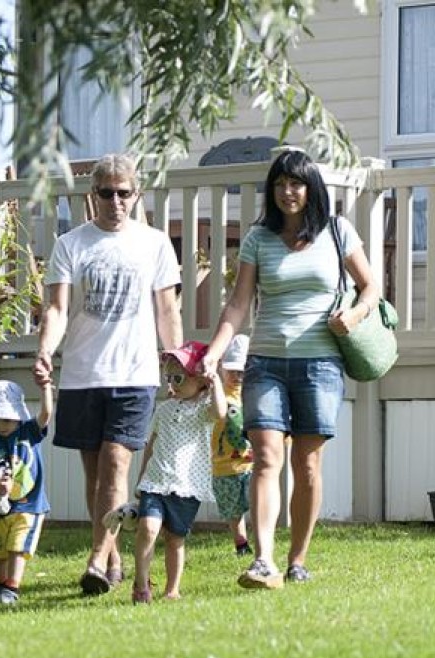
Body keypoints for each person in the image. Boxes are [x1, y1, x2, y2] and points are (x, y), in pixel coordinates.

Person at [200, 149, 381, 589]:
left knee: (308, 465)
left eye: (296, 184)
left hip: (320, 363)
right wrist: (215, 352)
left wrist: (353, 316)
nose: (287, 192)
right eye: (279, 185)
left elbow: (371, 286)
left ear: (310, 187)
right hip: (265, 364)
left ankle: (297, 557)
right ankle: (264, 561)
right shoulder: (259, 238)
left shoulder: (337, 231)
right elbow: (238, 303)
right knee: (264, 458)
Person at [33, 152, 183, 596]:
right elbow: (57, 308)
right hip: (83, 372)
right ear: (92, 196)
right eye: (106, 193)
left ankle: (96, 559)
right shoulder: (71, 244)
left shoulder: (154, 243)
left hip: (135, 373)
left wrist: (174, 359)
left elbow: (167, 309)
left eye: (123, 193)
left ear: (136, 196)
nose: (115, 201)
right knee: (96, 476)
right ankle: (113, 556)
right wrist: (45, 350)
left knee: (118, 461)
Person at [130, 341, 227, 603]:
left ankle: (172, 589)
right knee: (148, 529)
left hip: (186, 486)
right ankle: (141, 584)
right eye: (168, 377)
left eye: (178, 377)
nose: (171, 383)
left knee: (175, 539)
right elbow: (151, 446)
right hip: (155, 483)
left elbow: (220, 412)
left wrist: (216, 381)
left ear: (200, 380)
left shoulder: (203, 409)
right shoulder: (163, 409)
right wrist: (141, 481)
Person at [0, 378, 54, 604]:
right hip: (2, 506)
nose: (1, 426)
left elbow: (46, 414)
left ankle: (12, 586)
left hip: (29, 505)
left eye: (6, 420)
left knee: (17, 547)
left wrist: (46, 388)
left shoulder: (29, 431)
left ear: (18, 415)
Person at [210, 333, 254, 558]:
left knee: (258, 502)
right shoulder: (217, 394)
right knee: (233, 512)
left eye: (242, 371)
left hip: (251, 464)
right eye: (232, 370)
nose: (237, 375)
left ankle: (263, 543)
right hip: (224, 467)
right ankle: (241, 544)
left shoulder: (252, 394)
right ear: (221, 368)